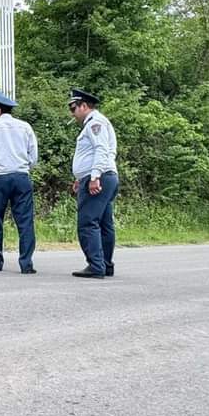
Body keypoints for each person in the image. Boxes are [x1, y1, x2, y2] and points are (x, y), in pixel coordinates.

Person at [0, 90, 39, 274]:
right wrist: (25, 167)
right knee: (25, 221)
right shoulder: (25, 126)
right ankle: (26, 264)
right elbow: (33, 154)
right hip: (21, 177)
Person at [69, 88, 119, 279]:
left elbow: (101, 149)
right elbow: (102, 152)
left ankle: (96, 265)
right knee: (104, 223)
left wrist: (94, 176)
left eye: (73, 109)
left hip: (99, 176)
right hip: (105, 175)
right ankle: (105, 264)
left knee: (88, 223)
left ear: (83, 106)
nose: (72, 114)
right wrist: (80, 177)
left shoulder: (94, 123)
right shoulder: (99, 122)